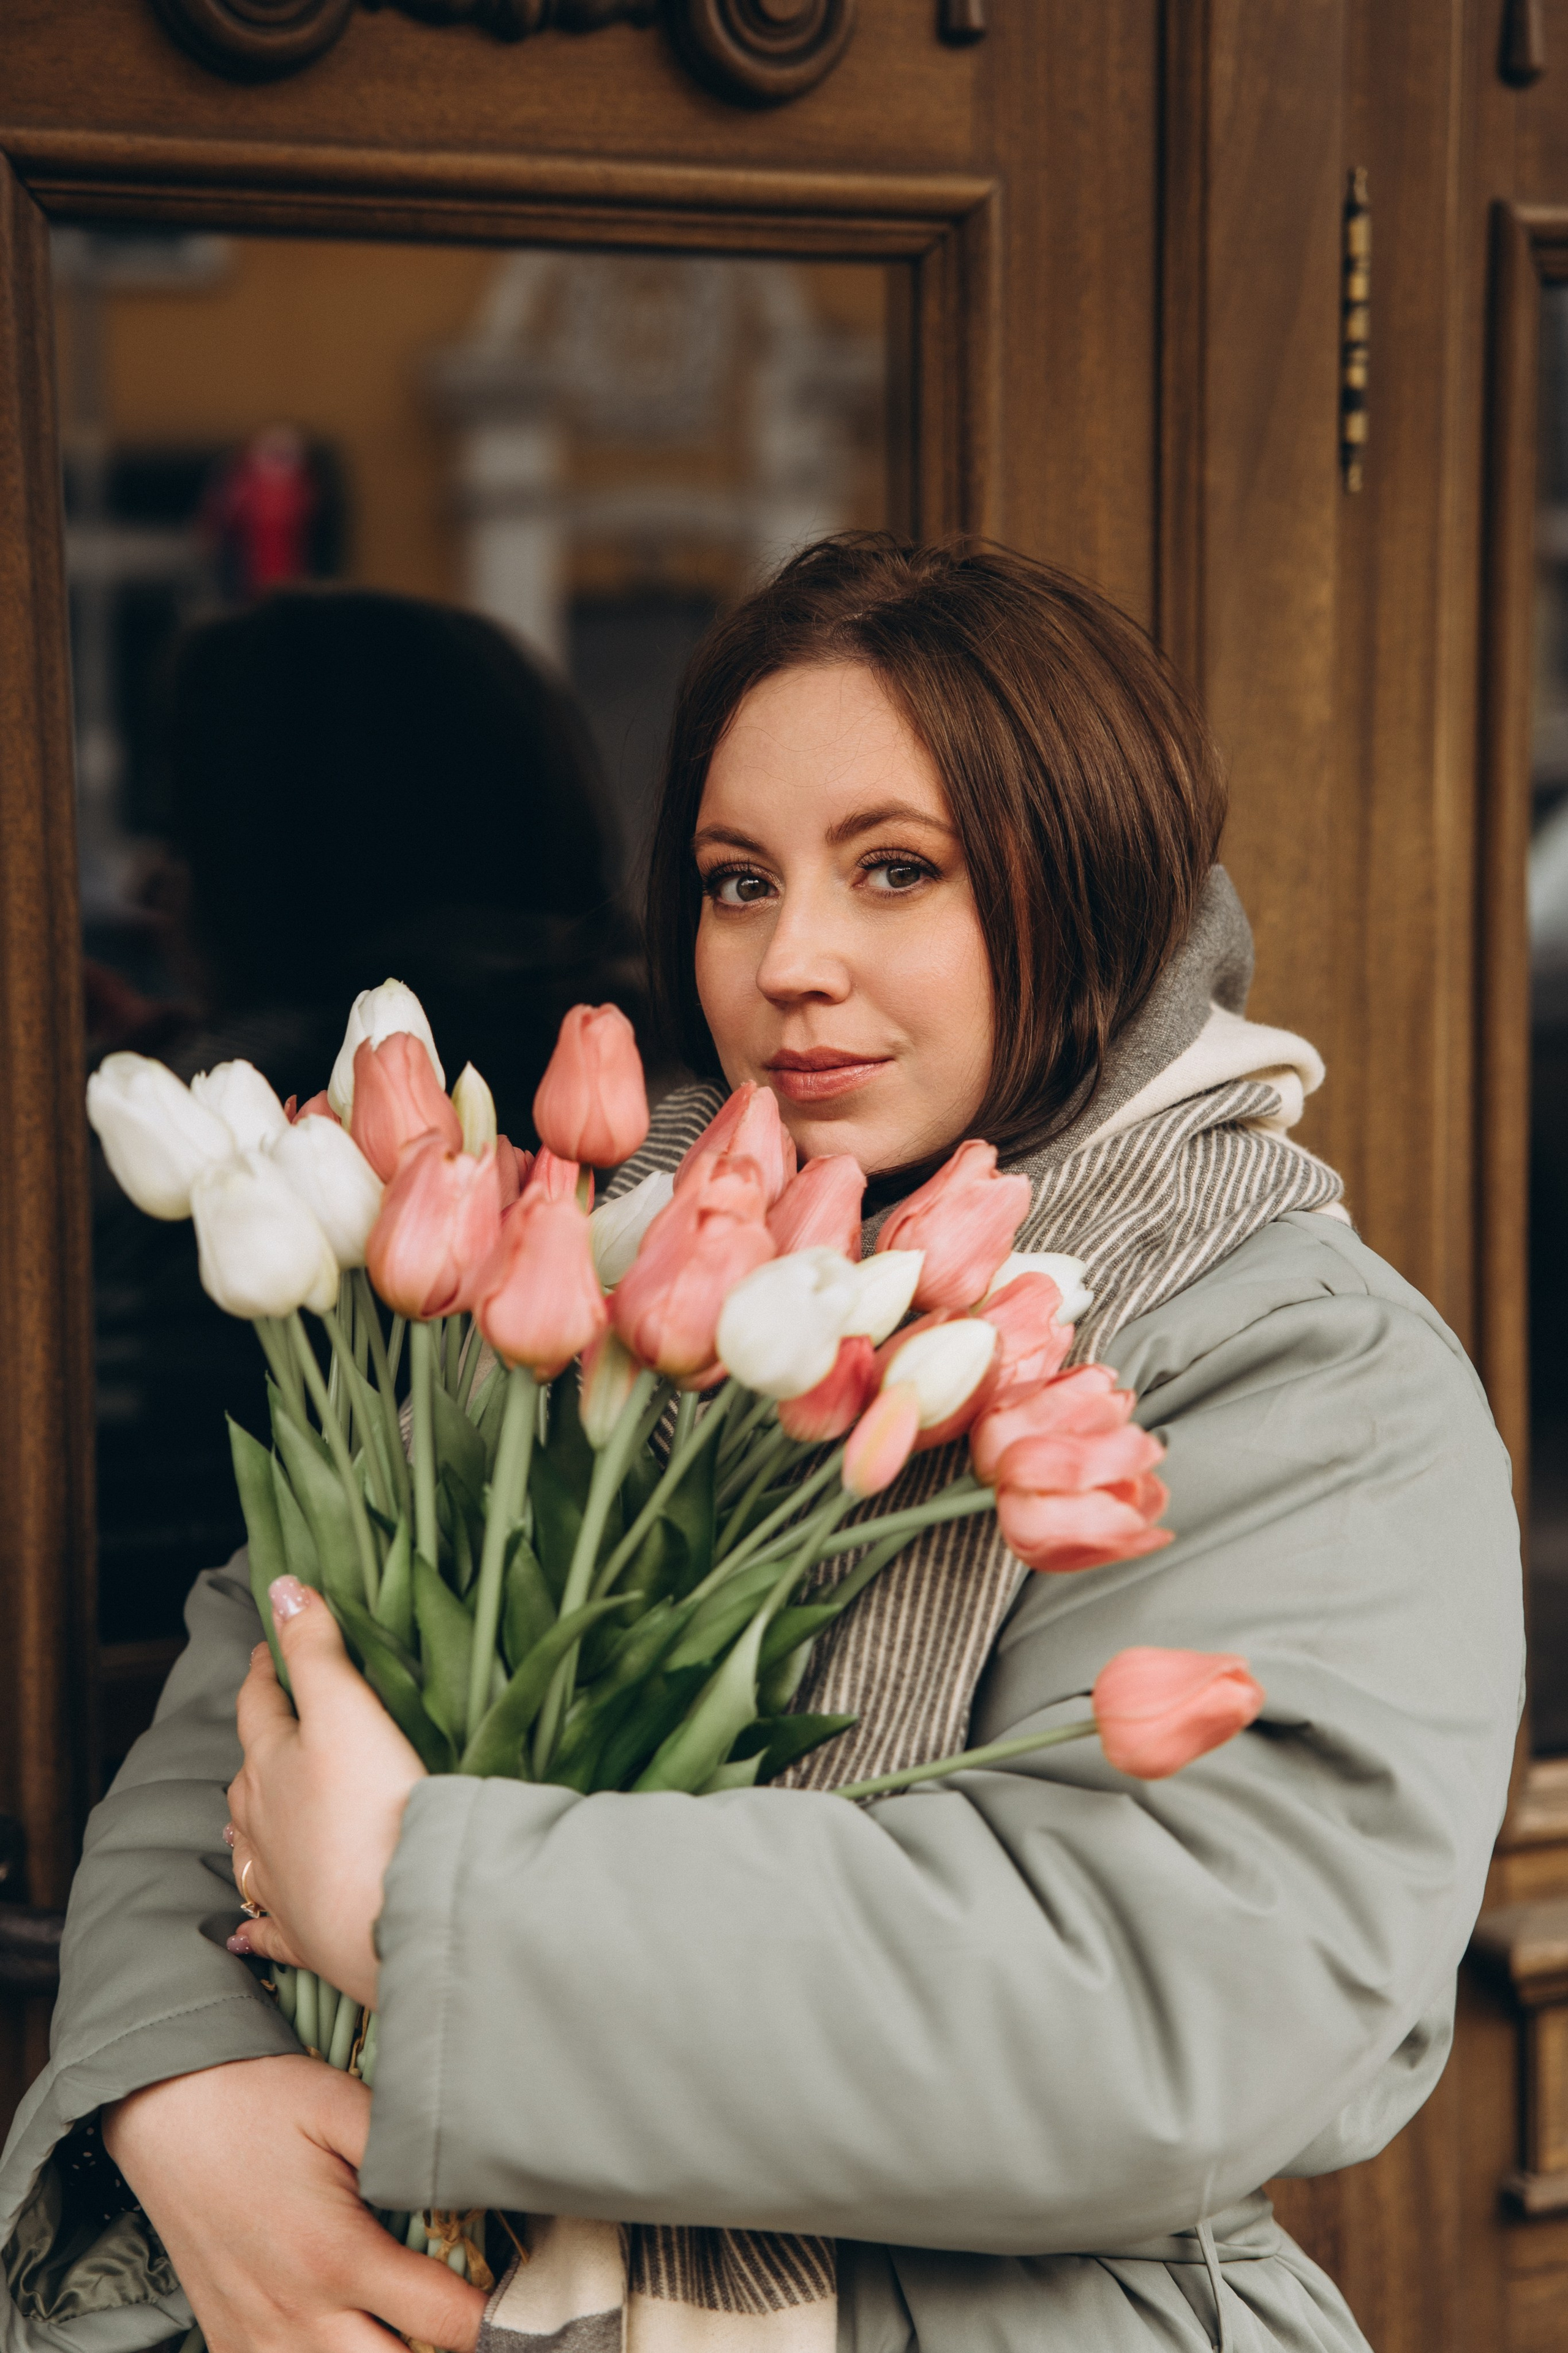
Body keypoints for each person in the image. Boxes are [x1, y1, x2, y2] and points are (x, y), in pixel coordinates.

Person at [0, 538, 1521, 2353]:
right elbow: (244, 1704)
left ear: (1094, 881)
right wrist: (181, 2091)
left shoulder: (1298, 1363)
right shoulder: (598, 1247)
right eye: (738, 882)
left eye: (898, 870)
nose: (791, 963)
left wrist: (420, 1903)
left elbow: (1176, 2005)